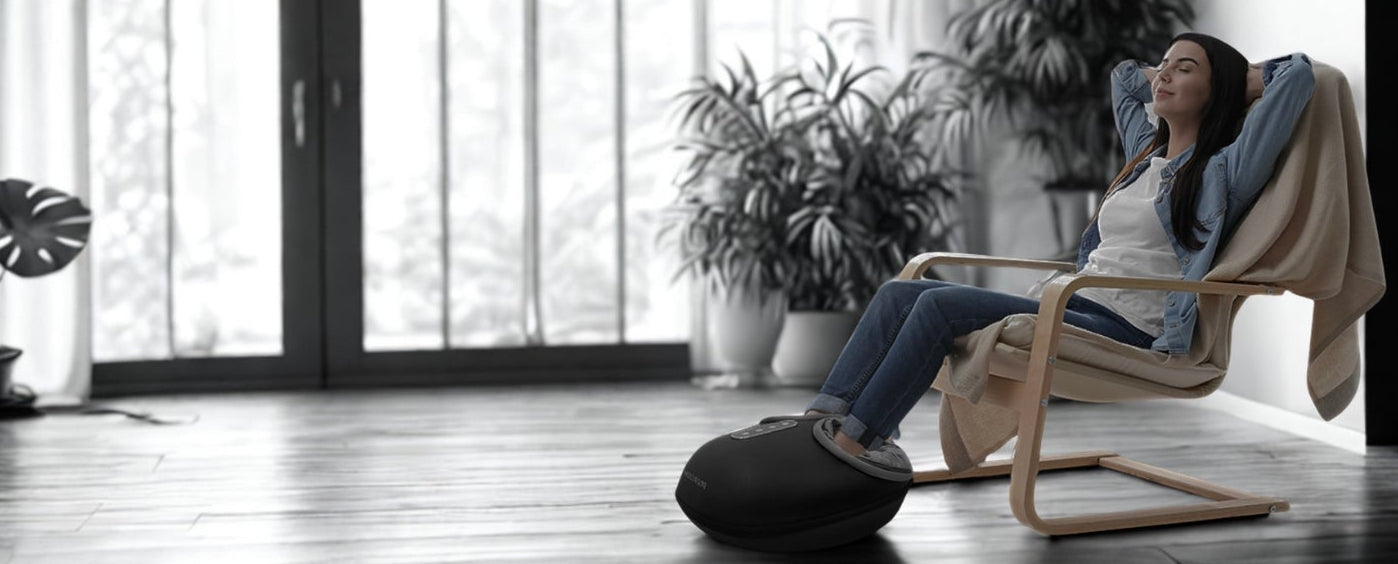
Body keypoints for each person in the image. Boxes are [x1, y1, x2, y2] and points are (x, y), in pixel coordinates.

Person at [800, 32, 1317, 461]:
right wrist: (1176, 68)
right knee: (898, 291)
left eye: (1183, 69)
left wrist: (1237, 77)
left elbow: (1295, 76)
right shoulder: (1143, 155)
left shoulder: (1224, 172)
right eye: (1162, 65)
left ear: (1219, 89)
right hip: (1073, 301)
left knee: (936, 303)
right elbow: (1123, 77)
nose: (1161, 75)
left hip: (1127, 328)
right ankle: (823, 422)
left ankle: (855, 443)